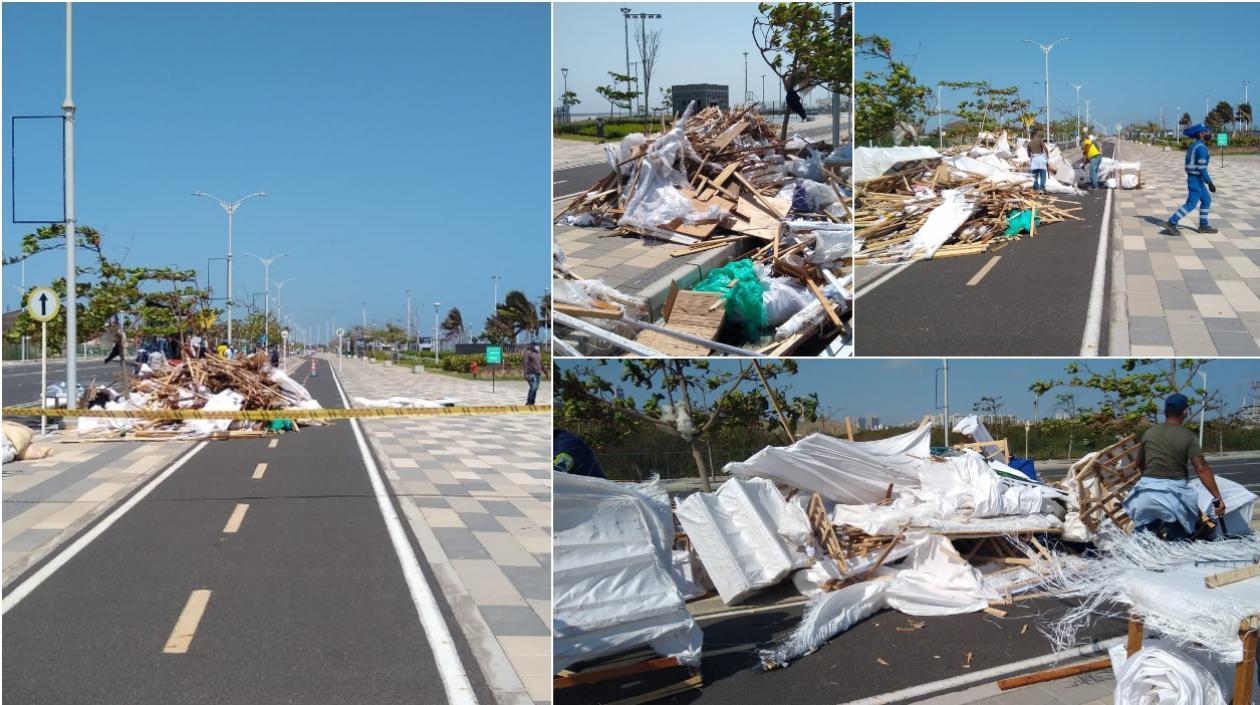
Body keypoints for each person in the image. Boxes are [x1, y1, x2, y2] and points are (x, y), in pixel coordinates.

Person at [1122, 393, 1226, 540]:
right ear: (1185, 411)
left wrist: (1153, 479)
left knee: (1144, 538)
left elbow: (1139, 464)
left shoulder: (1149, 433)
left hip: (1143, 497)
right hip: (1174, 499)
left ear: (1164, 412)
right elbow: (1201, 468)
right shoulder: (1188, 436)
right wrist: (1218, 498)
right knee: (1178, 541)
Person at [1164, 123, 1218, 235]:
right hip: (1196, 180)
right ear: (1201, 134)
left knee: (1206, 200)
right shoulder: (1201, 148)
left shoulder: (1194, 145)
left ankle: (1203, 225)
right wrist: (1210, 183)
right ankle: (1172, 222)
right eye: (1206, 132)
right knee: (1191, 203)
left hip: (1195, 179)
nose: (1209, 134)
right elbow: (1202, 168)